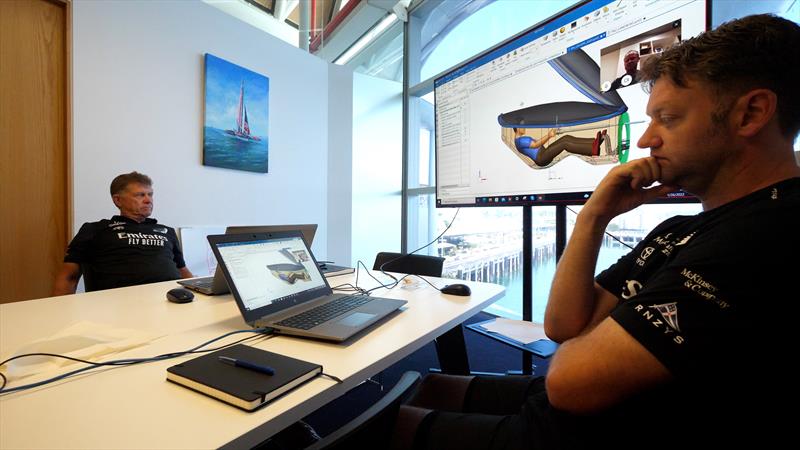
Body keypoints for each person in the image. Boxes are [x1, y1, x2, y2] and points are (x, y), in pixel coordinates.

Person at [391, 14, 800, 450]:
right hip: (561, 414)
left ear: (751, 114)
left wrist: (590, 340)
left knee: (383, 427)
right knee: (430, 387)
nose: (646, 142)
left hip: (567, 434)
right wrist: (593, 216)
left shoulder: (768, 234)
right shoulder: (683, 228)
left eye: (668, 118)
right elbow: (563, 324)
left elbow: (568, 380)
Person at [52, 172, 193, 295]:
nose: (148, 200)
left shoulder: (166, 231)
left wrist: (201, 291)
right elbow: (69, 276)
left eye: (150, 194)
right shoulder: (95, 229)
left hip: (170, 299)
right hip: (118, 305)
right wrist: (59, 313)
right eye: (140, 195)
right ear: (118, 200)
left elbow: (182, 270)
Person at [513, 127, 607, 166]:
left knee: (565, 138)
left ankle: (594, 142)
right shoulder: (520, 141)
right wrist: (549, 135)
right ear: (517, 128)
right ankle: (591, 150)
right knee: (564, 144)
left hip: (543, 152)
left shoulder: (520, 140)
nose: (523, 128)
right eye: (521, 126)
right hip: (541, 157)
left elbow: (537, 143)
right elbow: (535, 145)